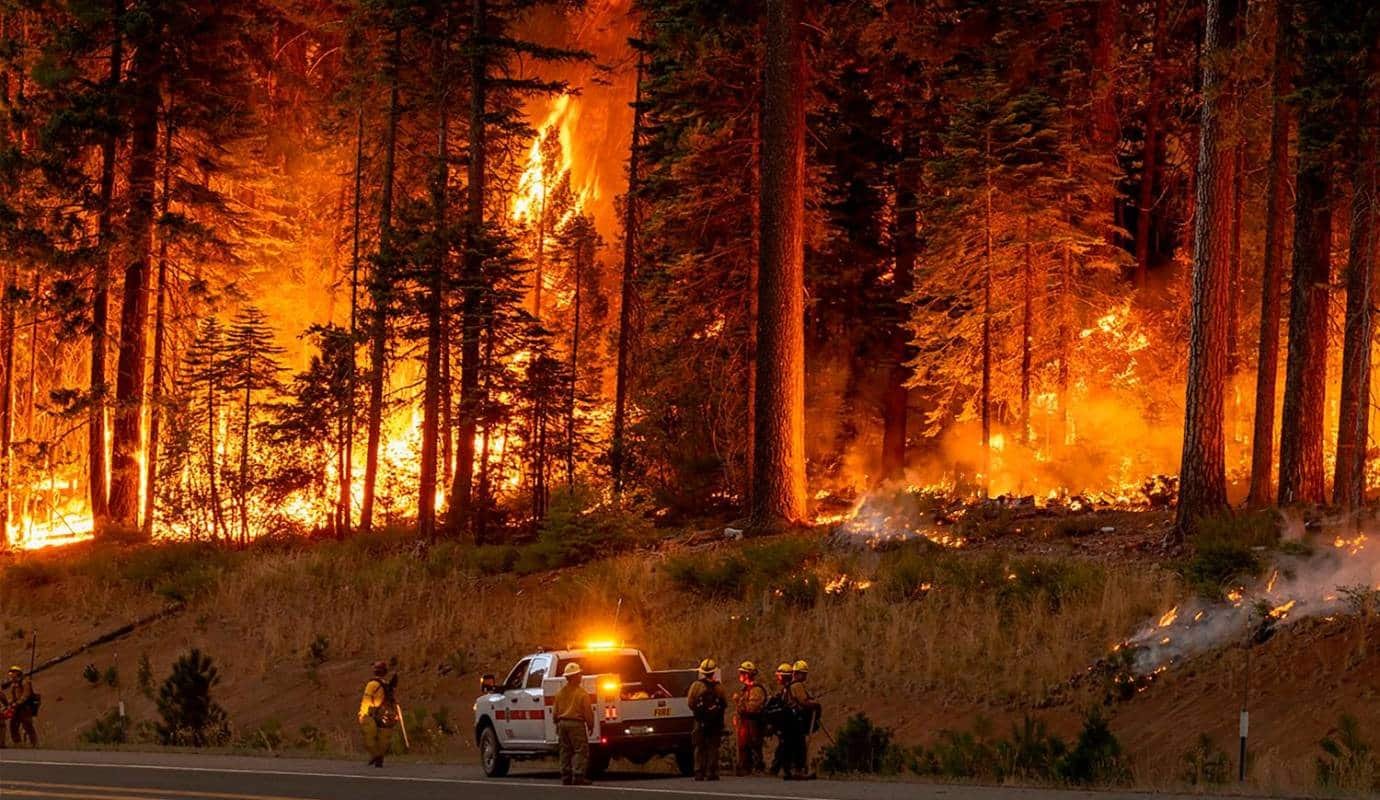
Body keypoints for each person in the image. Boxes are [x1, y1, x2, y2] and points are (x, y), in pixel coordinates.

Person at [686, 658, 729, 781]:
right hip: (715, 722)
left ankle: (699, 772)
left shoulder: (696, 686)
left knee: (699, 746)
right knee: (713, 746)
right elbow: (725, 703)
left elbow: (690, 702)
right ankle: (712, 772)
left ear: (702, 672)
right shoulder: (719, 687)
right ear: (714, 672)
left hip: (700, 721)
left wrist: (699, 713)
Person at [554, 663, 594, 786]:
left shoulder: (560, 693)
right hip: (576, 724)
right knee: (580, 750)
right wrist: (590, 725)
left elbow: (555, 712)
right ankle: (578, 775)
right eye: (579, 674)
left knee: (565, 750)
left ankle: (565, 776)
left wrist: (557, 724)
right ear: (574, 677)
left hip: (562, 724)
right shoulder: (582, 694)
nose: (581, 676)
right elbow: (587, 712)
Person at [783, 660, 821, 781]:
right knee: (799, 746)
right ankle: (798, 770)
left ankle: (789, 770)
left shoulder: (788, 686)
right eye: (803, 674)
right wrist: (814, 704)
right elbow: (803, 702)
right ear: (798, 674)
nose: (805, 676)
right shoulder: (797, 686)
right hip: (796, 720)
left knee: (790, 745)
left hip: (788, 720)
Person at [358, 661, 396, 768]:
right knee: (383, 739)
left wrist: (362, 714)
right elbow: (392, 700)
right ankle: (379, 759)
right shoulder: (387, 685)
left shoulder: (372, 684)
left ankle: (376, 756)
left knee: (370, 737)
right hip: (386, 714)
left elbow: (366, 700)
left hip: (374, 713)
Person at [732, 661, 767, 775]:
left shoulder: (756, 690)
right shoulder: (746, 689)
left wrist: (738, 702)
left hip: (753, 722)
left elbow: (752, 708)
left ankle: (758, 767)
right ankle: (745, 767)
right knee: (743, 746)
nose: (740, 675)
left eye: (742, 673)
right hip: (744, 722)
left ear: (747, 675)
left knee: (754, 744)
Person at [767, 662, 794, 776]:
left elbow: (787, 707)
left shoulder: (789, 690)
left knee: (784, 746)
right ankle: (778, 768)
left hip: (788, 723)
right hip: (784, 723)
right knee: (784, 745)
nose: (777, 678)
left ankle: (779, 768)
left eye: (779, 676)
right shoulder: (784, 690)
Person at [5, 666, 37, 748]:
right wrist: (9, 703)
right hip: (17, 708)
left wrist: (18, 703)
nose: (11, 675)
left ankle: (34, 744)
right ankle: (18, 743)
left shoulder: (25, 682)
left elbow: (26, 695)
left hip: (25, 708)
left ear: (17, 673)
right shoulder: (14, 684)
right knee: (13, 725)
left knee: (28, 726)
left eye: (12, 673)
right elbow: (13, 697)